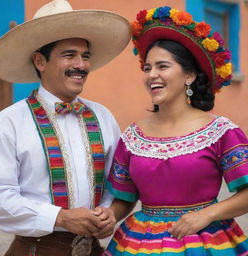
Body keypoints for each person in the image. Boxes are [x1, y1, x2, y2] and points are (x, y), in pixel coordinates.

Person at [103, 5, 248, 256]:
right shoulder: (132, 137)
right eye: (147, 68)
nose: (152, 75)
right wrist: (107, 216)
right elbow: (125, 197)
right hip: (137, 244)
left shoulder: (221, 132)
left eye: (162, 66)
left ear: (189, 75)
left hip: (205, 242)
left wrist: (206, 214)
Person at [0, 0, 131, 255]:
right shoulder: (8, 122)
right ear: (40, 61)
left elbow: (121, 183)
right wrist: (60, 218)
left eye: (85, 56)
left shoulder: (103, 117)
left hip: (93, 250)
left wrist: (111, 212)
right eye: (69, 55)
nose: (81, 65)